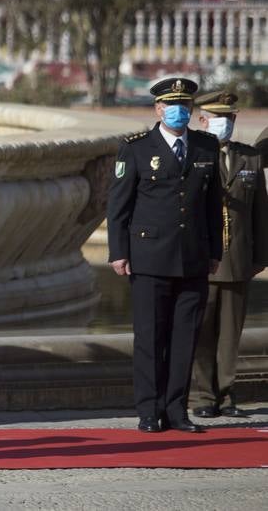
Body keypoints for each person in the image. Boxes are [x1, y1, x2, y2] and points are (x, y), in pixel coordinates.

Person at [107, 77, 222, 434]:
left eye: (185, 106)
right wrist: (118, 252)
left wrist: (215, 251)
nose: (179, 111)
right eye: (172, 105)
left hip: (193, 256)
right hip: (149, 256)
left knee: (184, 337)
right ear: (158, 108)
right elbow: (119, 205)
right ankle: (148, 411)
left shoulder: (205, 146)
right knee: (150, 337)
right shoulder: (137, 148)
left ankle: (176, 410)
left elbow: (212, 204)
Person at [190, 90, 267, 418]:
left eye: (231, 118)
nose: (227, 124)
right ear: (203, 120)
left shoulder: (248, 158)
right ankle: (204, 397)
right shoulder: (191, 155)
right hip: (201, 261)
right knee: (202, 332)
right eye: (221, 118)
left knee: (230, 334)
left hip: (237, 261)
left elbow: (260, 212)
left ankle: (226, 394)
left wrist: (260, 258)